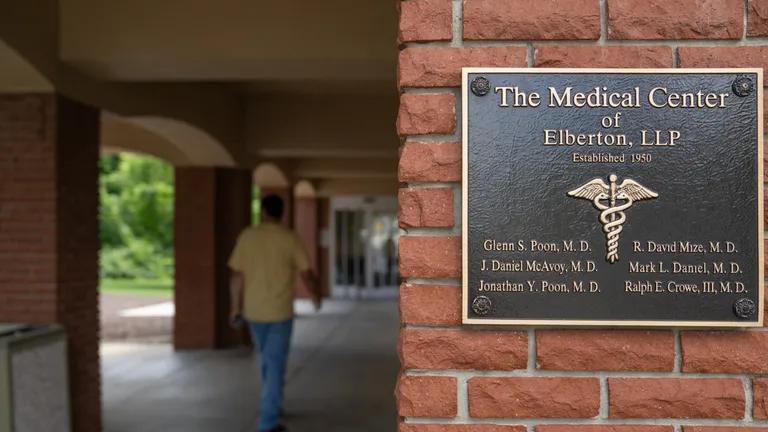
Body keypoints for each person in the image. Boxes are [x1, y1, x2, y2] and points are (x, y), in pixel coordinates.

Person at [228, 194, 321, 432]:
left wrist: (235, 308)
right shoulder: (289, 238)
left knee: (268, 363)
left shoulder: (247, 236)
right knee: (274, 364)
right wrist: (315, 294)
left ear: (263, 211)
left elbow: (236, 276)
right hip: (279, 313)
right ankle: (267, 423)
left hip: (253, 312)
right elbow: (306, 272)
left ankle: (273, 405)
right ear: (282, 213)